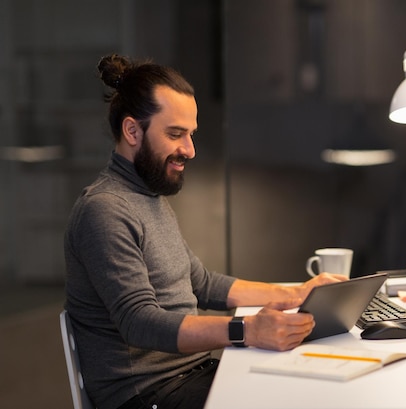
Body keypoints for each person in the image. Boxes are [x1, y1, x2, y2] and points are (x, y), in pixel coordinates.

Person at [63, 54, 347, 409]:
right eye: (175, 134)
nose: (190, 150)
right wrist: (246, 332)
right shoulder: (104, 210)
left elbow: (202, 283)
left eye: (191, 135)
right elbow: (139, 322)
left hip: (191, 374)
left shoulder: (148, 197)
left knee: (313, 384)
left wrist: (294, 295)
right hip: (150, 393)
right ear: (133, 131)